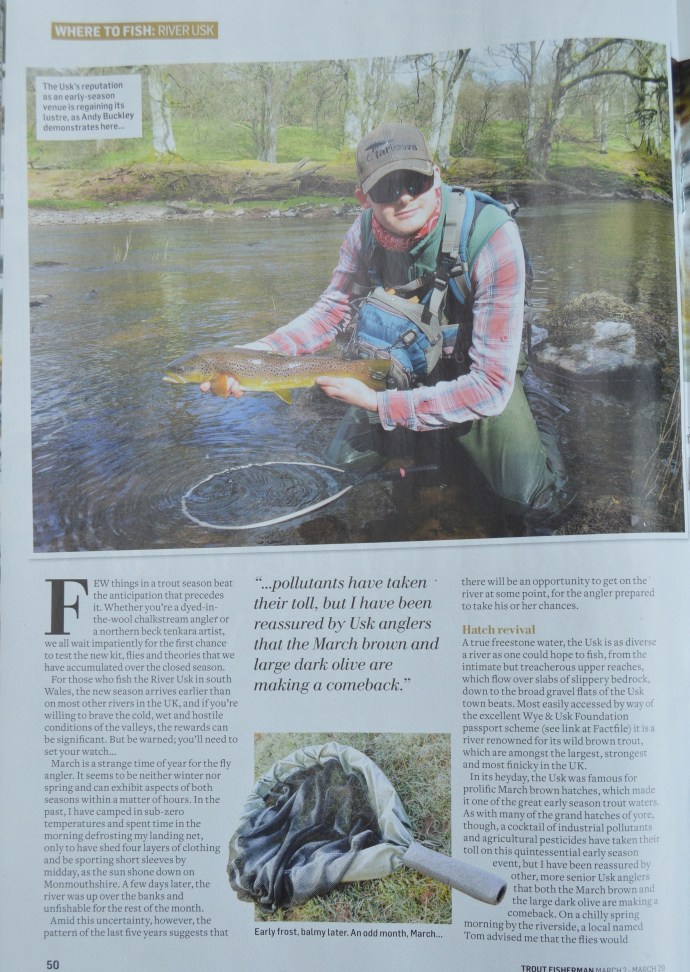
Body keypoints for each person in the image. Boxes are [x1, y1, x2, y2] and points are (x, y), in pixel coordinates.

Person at [202, 123, 564, 516]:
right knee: (338, 467)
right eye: (386, 189)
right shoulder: (362, 236)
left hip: (476, 373)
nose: (404, 197)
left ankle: (538, 418)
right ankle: (428, 438)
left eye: (416, 180)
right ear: (363, 197)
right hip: (399, 367)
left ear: (436, 175)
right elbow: (331, 311)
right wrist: (258, 353)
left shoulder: (491, 236)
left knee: (528, 498)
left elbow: (490, 386)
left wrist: (379, 404)